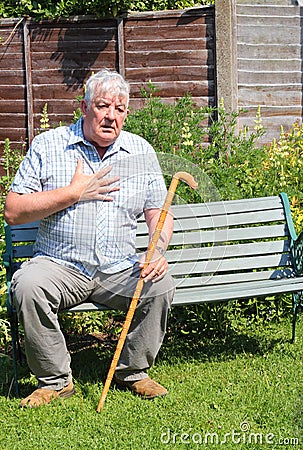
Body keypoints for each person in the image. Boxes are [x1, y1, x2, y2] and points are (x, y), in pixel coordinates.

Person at [4, 69, 175, 408]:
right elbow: (13, 210)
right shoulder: (49, 145)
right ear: (84, 107)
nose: (111, 116)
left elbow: (159, 210)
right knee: (27, 286)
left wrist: (156, 249)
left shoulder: (141, 151)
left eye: (119, 108)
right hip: (60, 265)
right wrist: (72, 193)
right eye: (102, 105)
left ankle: (132, 371)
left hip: (118, 268)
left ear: (126, 113)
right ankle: (55, 381)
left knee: (161, 286)